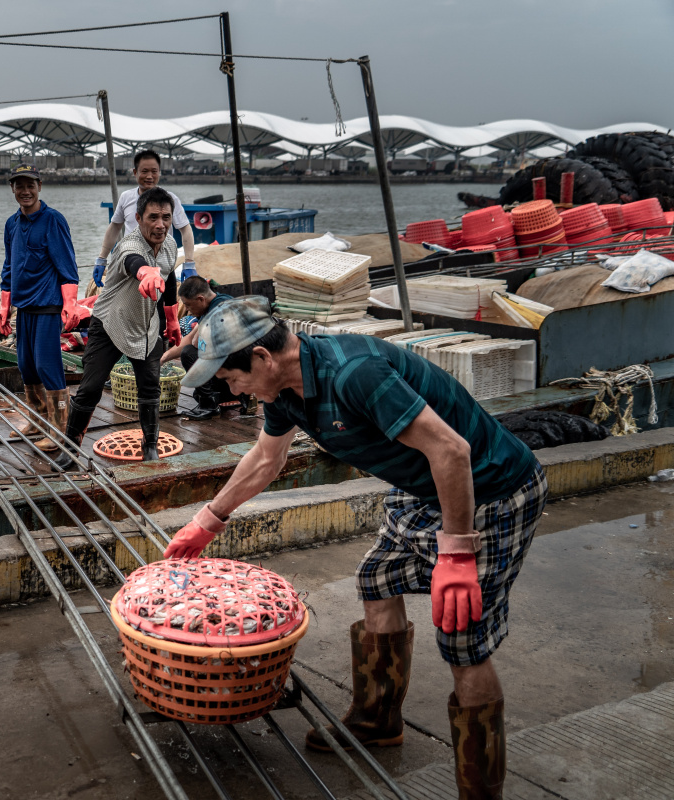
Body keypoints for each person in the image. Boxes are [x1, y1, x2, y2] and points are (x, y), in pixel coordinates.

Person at [165, 298, 546, 800]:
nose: (229, 389)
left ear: (261, 357)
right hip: (423, 488)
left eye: (232, 377)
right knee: (376, 579)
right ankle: (377, 719)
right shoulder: (284, 390)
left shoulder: (356, 376)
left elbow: (451, 450)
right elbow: (265, 457)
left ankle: (481, 793)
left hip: (490, 490)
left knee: (463, 638)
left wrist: (457, 553)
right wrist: (209, 519)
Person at [54, 187, 180, 471]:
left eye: (166, 217)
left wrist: (172, 320)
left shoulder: (170, 244)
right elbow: (133, 262)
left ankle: (150, 446)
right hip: (109, 324)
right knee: (90, 388)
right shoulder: (128, 245)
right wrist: (147, 272)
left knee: (150, 387)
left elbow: (169, 280)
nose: (160, 225)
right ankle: (70, 448)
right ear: (138, 218)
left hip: (147, 327)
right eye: (153, 217)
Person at [0, 164, 80, 451]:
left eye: (30, 185)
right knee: (26, 366)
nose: (25, 191)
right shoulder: (12, 224)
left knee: (48, 366)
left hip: (47, 306)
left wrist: (69, 304)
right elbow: (9, 266)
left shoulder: (53, 220)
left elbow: (68, 267)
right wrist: (4, 306)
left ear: (40, 186)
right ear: (13, 189)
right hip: (24, 308)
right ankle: (37, 418)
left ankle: (59, 428)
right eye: (19, 186)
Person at [93, 150, 197, 288]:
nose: (149, 176)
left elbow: (185, 229)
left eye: (154, 171)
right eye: (144, 171)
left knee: (168, 306)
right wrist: (102, 258)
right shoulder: (126, 197)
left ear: (159, 172)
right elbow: (114, 227)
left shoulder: (170, 199)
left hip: (163, 263)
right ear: (135, 172)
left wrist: (189, 262)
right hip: (133, 263)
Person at [159, 276, 238, 420]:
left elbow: (195, 343)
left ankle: (210, 406)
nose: (187, 310)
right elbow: (188, 339)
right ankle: (213, 398)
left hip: (241, 375)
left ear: (201, 299)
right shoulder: (212, 305)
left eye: (188, 305)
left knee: (188, 353)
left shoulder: (222, 306)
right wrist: (162, 359)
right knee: (197, 393)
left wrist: (198, 331)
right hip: (226, 371)